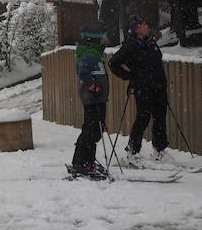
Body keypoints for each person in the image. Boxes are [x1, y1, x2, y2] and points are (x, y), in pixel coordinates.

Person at [109, 15, 170, 164]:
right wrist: (130, 76)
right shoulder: (130, 45)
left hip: (159, 86)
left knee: (160, 117)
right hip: (143, 87)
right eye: (143, 24)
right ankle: (133, 151)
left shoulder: (151, 42)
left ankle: (159, 150)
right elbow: (113, 63)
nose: (147, 26)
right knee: (143, 118)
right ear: (137, 28)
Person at [70, 22, 110, 176]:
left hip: (97, 99)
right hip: (93, 99)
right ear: (94, 39)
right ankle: (82, 162)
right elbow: (83, 73)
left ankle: (87, 161)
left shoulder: (94, 54)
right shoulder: (90, 55)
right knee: (91, 131)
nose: (105, 40)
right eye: (103, 37)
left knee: (93, 131)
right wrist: (94, 87)